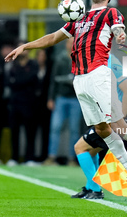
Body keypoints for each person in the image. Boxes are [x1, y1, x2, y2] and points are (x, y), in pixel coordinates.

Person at [5, 0, 127, 197]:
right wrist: (25, 46)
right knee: (102, 129)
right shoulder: (79, 17)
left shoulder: (110, 12)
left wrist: (120, 34)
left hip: (99, 74)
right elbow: (52, 38)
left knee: (117, 124)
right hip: (80, 79)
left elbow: (118, 28)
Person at [72, 53, 127, 199]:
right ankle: (89, 187)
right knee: (91, 151)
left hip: (113, 118)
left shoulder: (112, 62)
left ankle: (96, 189)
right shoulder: (94, 61)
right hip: (105, 116)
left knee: (79, 147)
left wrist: (120, 119)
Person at [44, 37, 82, 166]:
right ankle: (52, 156)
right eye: (70, 43)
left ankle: (72, 158)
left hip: (75, 98)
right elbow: (53, 80)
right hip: (61, 97)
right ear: (66, 44)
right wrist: (51, 98)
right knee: (55, 128)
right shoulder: (60, 59)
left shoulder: (80, 59)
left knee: (74, 130)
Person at [6, 43, 39, 166]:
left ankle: (29, 158)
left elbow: (32, 79)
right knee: (14, 132)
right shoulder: (13, 65)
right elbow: (9, 82)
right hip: (15, 103)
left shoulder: (33, 64)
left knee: (30, 131)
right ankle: (14, 157)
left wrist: (18, 81)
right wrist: (23, 82)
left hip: (29, 103)